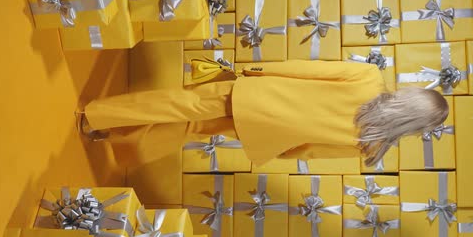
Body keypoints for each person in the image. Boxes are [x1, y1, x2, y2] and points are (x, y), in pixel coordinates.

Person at [78, 60, 449, 167]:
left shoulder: (369, 77)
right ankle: (113, 139)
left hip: (256, 96)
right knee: (192, 129)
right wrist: (279, 148)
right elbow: (308, 151)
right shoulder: (370, 144)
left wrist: (258, 71)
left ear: (412, 95)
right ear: (416, 125)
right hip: (262, 133)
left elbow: (306, 69)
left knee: (180, 104)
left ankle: (96, 116)